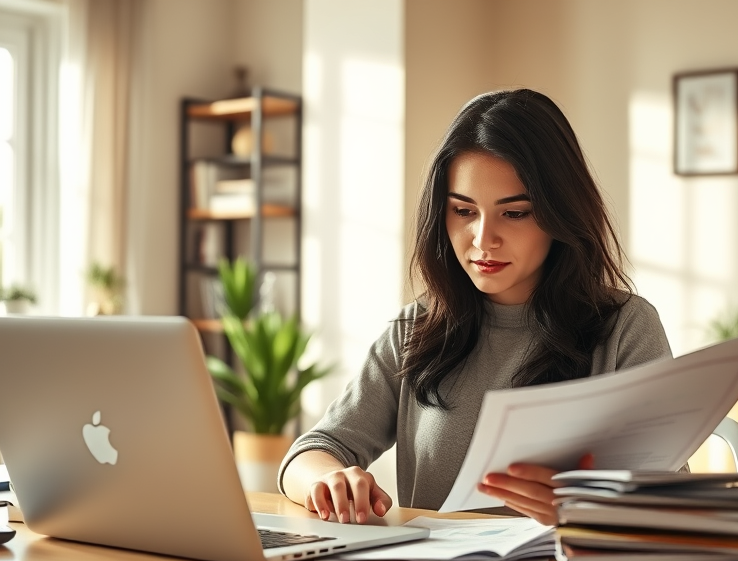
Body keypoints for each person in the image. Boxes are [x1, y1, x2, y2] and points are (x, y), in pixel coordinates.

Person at [279, 89, 671, 526]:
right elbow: (313, 451)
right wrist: (329, 478)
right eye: (464, 211)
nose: (483, 240)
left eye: (515, 213)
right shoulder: (417, 327)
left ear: (560, 214)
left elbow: (664, 497)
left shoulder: (625, 327)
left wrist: (586, 505)